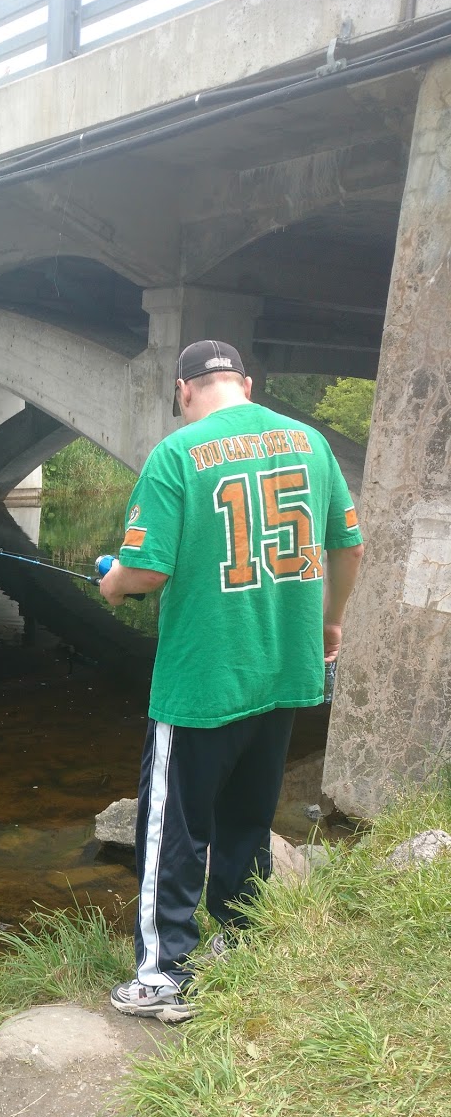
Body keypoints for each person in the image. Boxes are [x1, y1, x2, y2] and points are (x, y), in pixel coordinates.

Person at [99, 340, 364, 1023]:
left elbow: (146, 572)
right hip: (283, 671)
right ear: (245, 383)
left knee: (172, 827)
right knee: (247, 814)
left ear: (185, 391)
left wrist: (111, 584)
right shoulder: (310, 442)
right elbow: (350, 544)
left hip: (200, 683)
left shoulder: (177, 454)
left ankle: (163, 974)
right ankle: (240, 938)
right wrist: (331, 623)